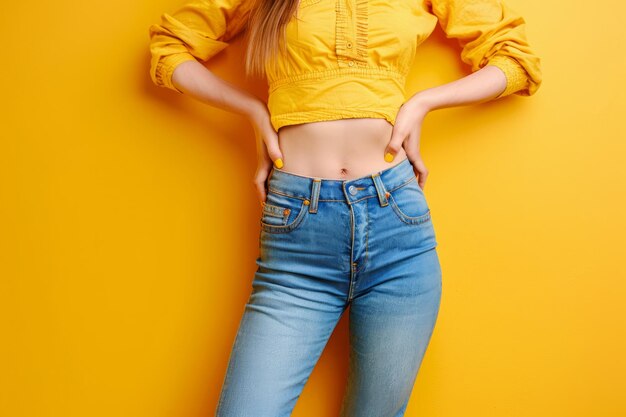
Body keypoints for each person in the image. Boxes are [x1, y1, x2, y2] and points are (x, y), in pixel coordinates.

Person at [148, 0, 542, 415]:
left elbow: (516, 62)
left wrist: (423, 103)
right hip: (298, 236)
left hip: (398, 230)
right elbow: (168, 49)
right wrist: (252, 111)